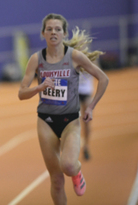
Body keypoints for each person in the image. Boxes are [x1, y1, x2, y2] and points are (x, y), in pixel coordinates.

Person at [18, 13, 109, 205]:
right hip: (45, 122)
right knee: (57, 180)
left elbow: (103, 78)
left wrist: (91, 107)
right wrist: (39, 87)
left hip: (70, 121)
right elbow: (21, 93)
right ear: (43, 33)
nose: (53, 32)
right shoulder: (36, 59)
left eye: (57, 29)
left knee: (67, 165)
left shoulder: (74, 56)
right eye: (49, 29)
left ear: (64, 33)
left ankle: (76, 172)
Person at [78, 71, 94, 160]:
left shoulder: (91, 58)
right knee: (77, 121)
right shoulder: (74, 58)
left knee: (87, 121)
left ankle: (86, 147)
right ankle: (74, 148)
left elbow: (98, 71)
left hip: (87, 92)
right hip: (76, 92)